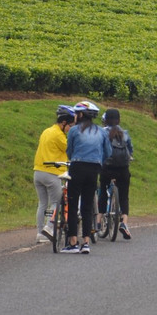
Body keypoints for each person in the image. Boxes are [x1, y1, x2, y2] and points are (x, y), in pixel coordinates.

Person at [64, 100, 110, 253]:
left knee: (72, 203)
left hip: (77, 167)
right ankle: (86, 242)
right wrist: (98, 162)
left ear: (81, 114)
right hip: (94, 169)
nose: (75, 116)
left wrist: (75, 158)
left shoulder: (74, 131)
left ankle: (72, 242)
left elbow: (69, 151)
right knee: (87, 205)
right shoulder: (102, 132)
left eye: (76, 113)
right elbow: (108, 152)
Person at [33, 104, 75, 243]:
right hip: (51, 173)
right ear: (63, 123)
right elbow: (70, 149)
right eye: (70, 125)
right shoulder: (59, 135)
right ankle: (49, 228)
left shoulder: (46, 131)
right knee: (57, 202)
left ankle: (40, 233)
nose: (70, 129)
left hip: (38, 172)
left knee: (42, 204)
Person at [98, 108, 134, 239]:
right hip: (123, 169)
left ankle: (98, 221)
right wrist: (129, 157)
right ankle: (124, 223)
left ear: (105, 120)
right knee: (124, 196)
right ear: (119, 120)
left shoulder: (102, 132)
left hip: (107, 168)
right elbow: (130, 150)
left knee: (102, 190)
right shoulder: (124, 133)